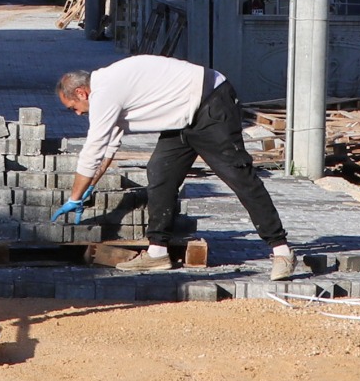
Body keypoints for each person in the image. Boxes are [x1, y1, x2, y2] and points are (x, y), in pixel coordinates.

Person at [55, 55, 297, 279]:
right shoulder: (108, 86)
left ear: (81, 93)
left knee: (239, 176)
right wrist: (90, 186)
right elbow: (109, 146)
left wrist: (75, 196)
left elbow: (93, 149)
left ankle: (282, 251)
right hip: (182, 116)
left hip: (211, 103)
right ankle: (158, 252)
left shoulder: (104, 92)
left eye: (73, 107)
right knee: (160, 172)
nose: (76, 114)